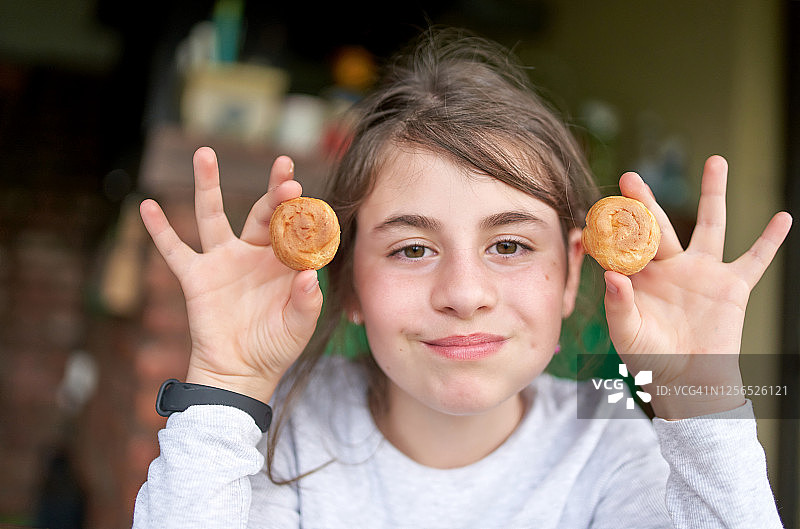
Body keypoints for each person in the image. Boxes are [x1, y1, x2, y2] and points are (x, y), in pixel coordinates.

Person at [132, 27, 792, 528]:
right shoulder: (287, 430)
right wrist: (224, 386)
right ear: (351, 280)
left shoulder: (608, 443)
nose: (464, 294)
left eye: (508, 243)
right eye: (412, 249)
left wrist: (699, 392)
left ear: (570, 275)